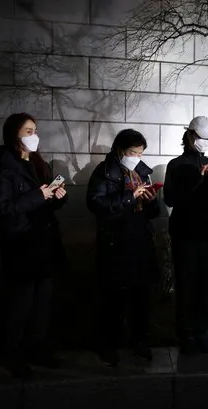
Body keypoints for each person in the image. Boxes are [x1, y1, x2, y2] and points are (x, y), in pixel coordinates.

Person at [0, 112, 68, 378]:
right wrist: (38, 195)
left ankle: (38, 348)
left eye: (35, 130)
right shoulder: (5, 169)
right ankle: (13, 355)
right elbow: (4, 209)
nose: (34, 136)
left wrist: (57, 197)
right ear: (15, 136)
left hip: (43, 243)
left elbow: (44, 203)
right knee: (20, 305)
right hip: (21, 246)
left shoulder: (37, 163)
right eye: (28, 131)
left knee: (42, 304)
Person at [86, 129, 160, 367]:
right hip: (115, 241)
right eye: (132, 152)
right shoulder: (105, 171)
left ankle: (140, 341)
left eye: (140, 153)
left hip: (140, 239)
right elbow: (96, 203)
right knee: (113, 297)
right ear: (120, 150)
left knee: (141, 296)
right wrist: (129, 197)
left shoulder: (142, 171)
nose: (137, 157)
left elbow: (154, 212)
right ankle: (108, 345)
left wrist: (150, 201)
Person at [164, 116, 208, 355]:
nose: (207, 143)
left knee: (205, 284)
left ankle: (202, 331)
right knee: (186, 284)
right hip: (185, 233)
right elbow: (171, 199)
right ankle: (185, 333)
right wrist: (198, 179)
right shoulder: (176, 165)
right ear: (191, 136)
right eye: (203, 138)